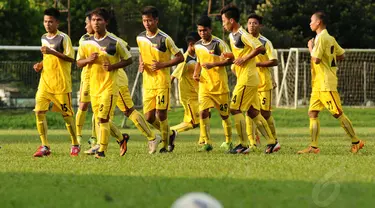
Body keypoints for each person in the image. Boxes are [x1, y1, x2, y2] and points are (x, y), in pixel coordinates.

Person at [298, 11, 365, 154]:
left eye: (311, 21)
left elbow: (315, 59)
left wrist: (310, 47)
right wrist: (329, 57)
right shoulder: (329, 38)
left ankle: (356, 141)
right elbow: (341, 55)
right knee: (312, 113)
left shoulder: (322, 38)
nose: (310, 23)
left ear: (318, 23)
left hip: (326, 83)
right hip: (318, 84)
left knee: (337, 113)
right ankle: (314, 147)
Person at [220, 4, 280, 154]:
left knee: (234, 109)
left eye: (224, 21)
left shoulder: (242, 33)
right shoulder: (231, 36)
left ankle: (243, 144)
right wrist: (231, 56)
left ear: (232, 20)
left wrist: (245, 58)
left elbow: (260, 48)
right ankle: (272, 142)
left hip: (248, 77)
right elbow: (240, 53)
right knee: (253, 112)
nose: (223, 24)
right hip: (246, 77)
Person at [77, 8, 131, 158]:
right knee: (100, 119)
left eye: (99, 20)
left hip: (109, 86)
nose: (95, 23)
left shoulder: (114, 42)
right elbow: (78, 62)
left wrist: (113, 66)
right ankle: (121, 139)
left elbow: (129, 59)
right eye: (93, 20)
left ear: (106, 22)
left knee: (102, 118)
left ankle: (101, 150)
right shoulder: (86, 42)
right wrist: (88, 60)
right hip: (94, 87)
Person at [32, 8, 80, 157]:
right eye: (45, 21)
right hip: (45, 83)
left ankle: (75, 144)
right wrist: (40, 65)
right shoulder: (43, 37)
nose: (47, 24)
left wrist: (51, 52)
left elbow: (71, 59)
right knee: (39, 112)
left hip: (61, 85)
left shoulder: (64, 38)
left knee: (67, 116)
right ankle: (45, 146)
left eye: (50, 21)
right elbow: (48, 58)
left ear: (57, 22)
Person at [136, 6, 184, 153]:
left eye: (149, 20)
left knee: (161, 114)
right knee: (149, 117)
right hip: (148, 81)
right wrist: (141, 64)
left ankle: (165, 145)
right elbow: (141, 53)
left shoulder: (165, 38)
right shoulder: (140, 37)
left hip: (162, 81)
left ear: (156, 20)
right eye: (144, 20)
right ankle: (170, 134)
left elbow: (180, 57)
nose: (147, 23)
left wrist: (163, 64)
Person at [193, 15, 233, 152]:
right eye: (199, 31)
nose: (202, 33)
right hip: (205, 84)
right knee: (203, 112)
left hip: (219, 85)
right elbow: (199, 61)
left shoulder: (219, 43)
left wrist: (213, 64)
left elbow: (230, 60)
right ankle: (207, 142)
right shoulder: (197, 45)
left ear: (210, 29)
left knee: (225, 115)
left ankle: (228, 141)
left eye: (204, 30)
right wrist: (196, 72)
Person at [246, 13, 279, 149]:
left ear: (260, 26)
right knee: (248, 112)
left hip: (264, 83)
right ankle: (252, 142)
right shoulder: (244, 40)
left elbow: (274, 61)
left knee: (265, 114)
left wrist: (258, 65)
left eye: (254, 23)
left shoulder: (265, 42)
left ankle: (274, 140)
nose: (252, 26)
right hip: (248, 82)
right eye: (249, 23)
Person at [170, 32, 201, 137]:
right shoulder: (185, 59)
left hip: (198, 94)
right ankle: (169, 132)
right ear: (191, 45)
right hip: (188, 97)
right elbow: (173, 76)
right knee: (194, 122)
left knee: (203, 117)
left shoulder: (198, 56)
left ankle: (204, 141)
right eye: (198, 44)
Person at [75, 12, 97, 146]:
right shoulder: (84, 39)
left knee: (97, 108)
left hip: (102, 79)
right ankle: (78, 135)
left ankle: (94, 137)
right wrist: (89, 59)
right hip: (88, 78)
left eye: (86, 23)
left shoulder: (108, 38)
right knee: (83, 105)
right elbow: (79, 62)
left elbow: (125, 48)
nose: (85, 26)